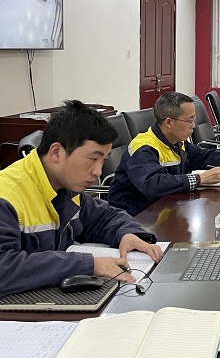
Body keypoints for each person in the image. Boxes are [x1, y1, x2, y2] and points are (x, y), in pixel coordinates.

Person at [0, 100, 163, 298]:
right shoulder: (7, 196)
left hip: (52, 299)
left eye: (103, 160)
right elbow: (4, 269)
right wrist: (88, 265)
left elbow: (103, 217)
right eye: (92, 159)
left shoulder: (65, 187)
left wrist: (127, 234)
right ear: (56, 152)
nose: (98, 171)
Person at [109, 92, 220, 216]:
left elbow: (204, 156)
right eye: (189, 120)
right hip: (134, 216)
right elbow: (153, 184)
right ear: (169, 122)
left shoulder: (177, 141)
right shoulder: (144, 147)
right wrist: (199, 179)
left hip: (164, 208)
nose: (194, 125)